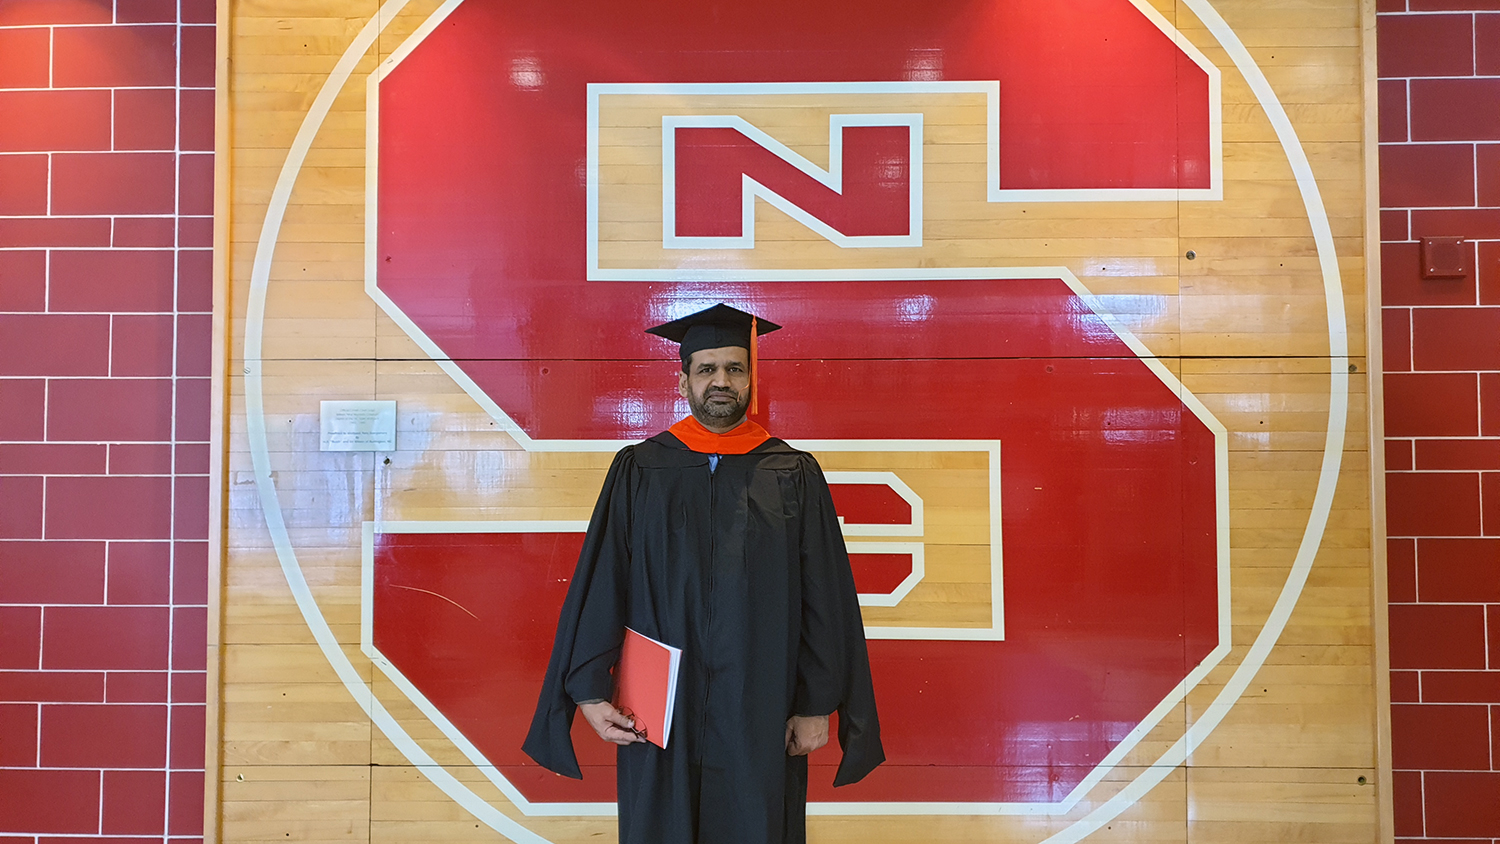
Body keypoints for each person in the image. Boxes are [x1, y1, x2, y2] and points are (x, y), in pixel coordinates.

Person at [523, 303, 883, 844]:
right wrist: (590, 692)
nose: (721, 381)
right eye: (707, 369)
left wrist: (814, 703)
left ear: (750, 379)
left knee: (756, 820)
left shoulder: (792, 472)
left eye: (735, 369)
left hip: (761, 695)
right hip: (659, 700)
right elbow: (602, 583)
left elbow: (824, 598)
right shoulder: (641, 468)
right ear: (684, 379)